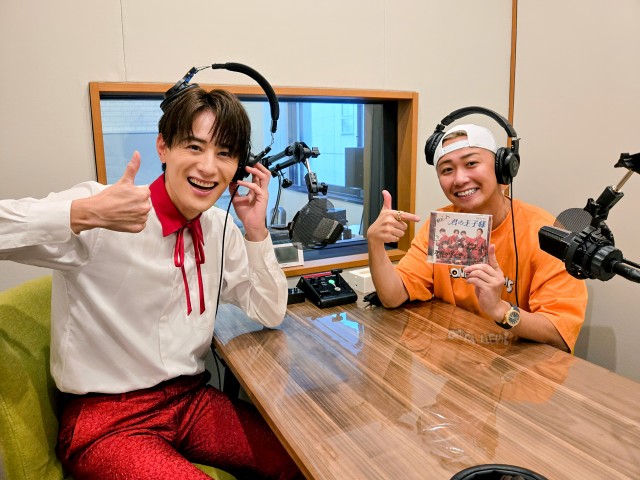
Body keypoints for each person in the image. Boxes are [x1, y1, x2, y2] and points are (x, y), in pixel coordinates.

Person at [0, 87, 302, 479]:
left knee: (298, 459)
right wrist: (82, 213)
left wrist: (257, 231)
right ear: (163, 146)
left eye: (224, 153)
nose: (208, 167)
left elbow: (270, 310)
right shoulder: (105, 211)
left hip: (189, 401)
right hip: (108, 420)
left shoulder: (220, 227)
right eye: (194, 147)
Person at [367, 123, 588, 353]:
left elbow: (559, 334)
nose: (460, 179)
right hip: (453, 359)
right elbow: (393, 296)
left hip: (517, 362)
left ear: (501, 167)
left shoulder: (545, 234)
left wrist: (500, 309)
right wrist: (375, 243)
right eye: (447, 170)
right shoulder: (442, 226)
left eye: (471, 163)